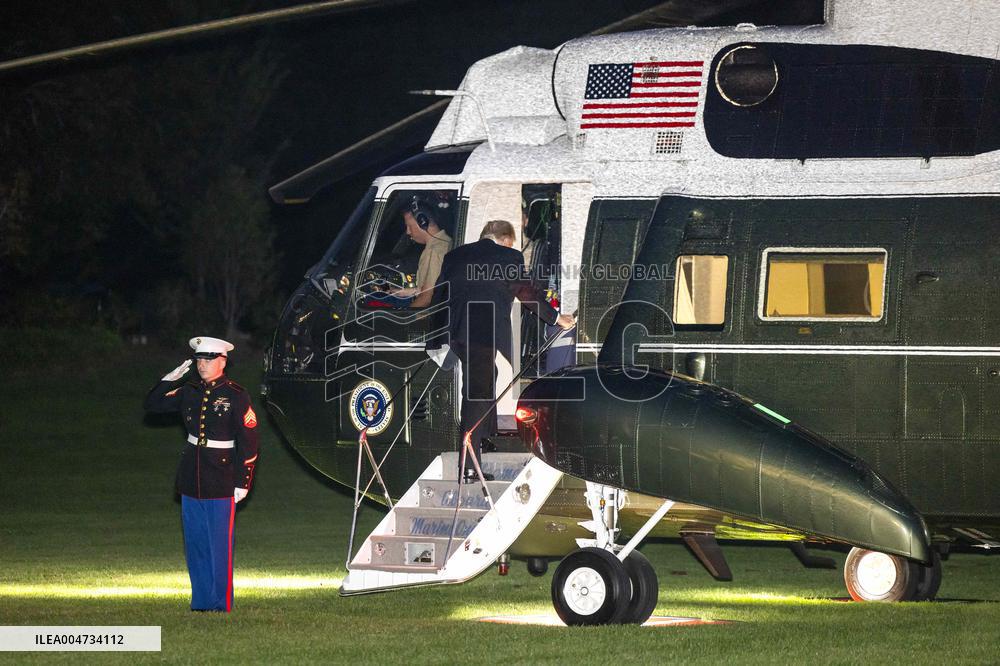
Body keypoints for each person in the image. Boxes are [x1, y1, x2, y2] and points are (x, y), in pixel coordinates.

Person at [428, 220, 574, 481]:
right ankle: (469, 465)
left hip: (455, 332)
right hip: (481, 333)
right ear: (506, 239)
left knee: (487, 378)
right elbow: (526, 293)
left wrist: (436, 340)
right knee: (477, 392)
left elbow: (439, 295)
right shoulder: (508, 256)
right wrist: (555, 318)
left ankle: (482, 439)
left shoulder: (455, 255)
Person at [143, 336, 259, 612]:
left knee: (219, 544)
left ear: (223, 361)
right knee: (195, 542)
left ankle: (220, 602)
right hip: (191, 474)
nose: (202, 365)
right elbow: (153, 405)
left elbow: (250, 439)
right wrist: (169, 380)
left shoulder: (236, 394)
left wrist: (243, 480)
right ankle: (201, 601)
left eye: (208, 360)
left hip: (222, 475)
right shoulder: (189, 391)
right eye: (199, 360)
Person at [390, 196, 452, 308]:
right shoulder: (444, 243)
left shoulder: (436, 251)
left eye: (409, 226)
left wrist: (404, 319)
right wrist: (409, 291)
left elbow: (427, 297)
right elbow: (435, 288)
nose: (408, 232)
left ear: (422, 222)